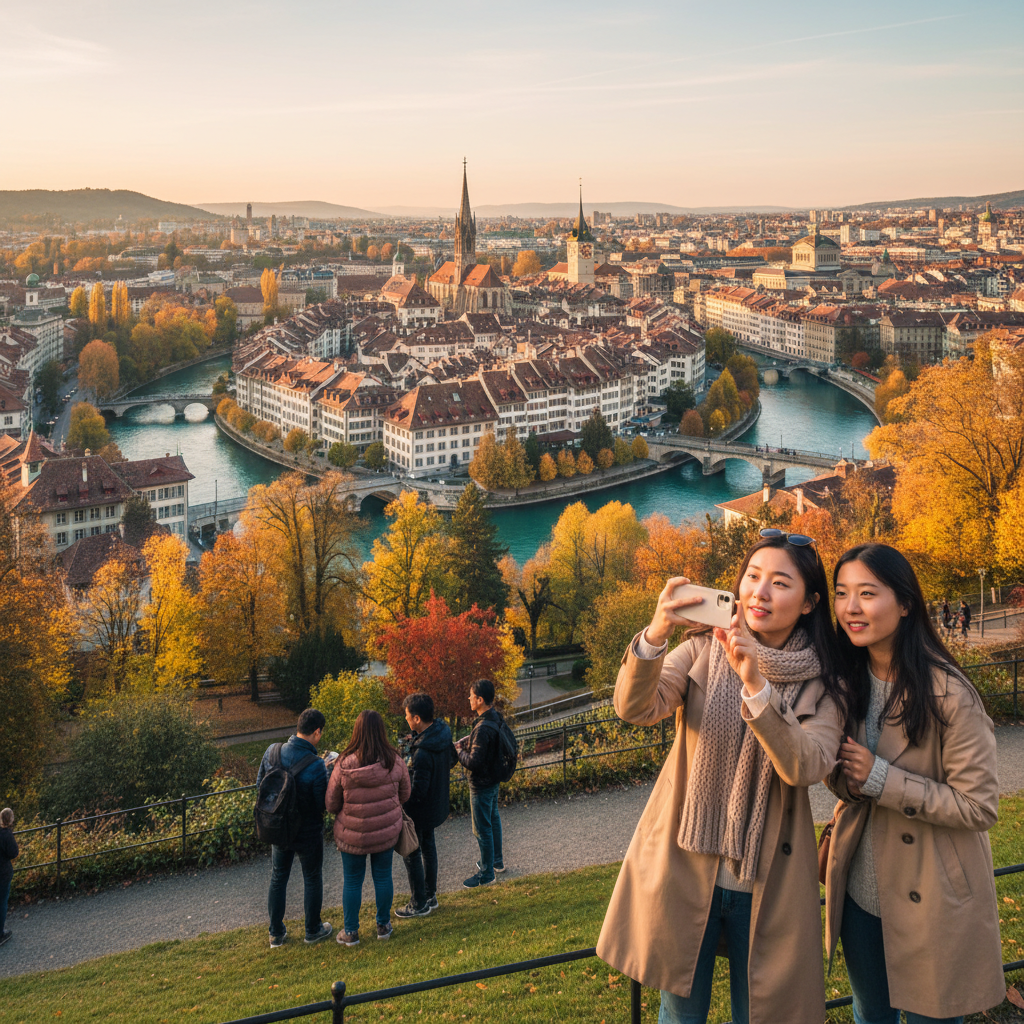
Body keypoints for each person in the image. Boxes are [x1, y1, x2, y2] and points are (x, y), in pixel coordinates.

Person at [597, 530, 849, 1024]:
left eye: (780, 583)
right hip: (688, 866)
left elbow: (807, 765)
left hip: (766, 880)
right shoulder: (702, 650)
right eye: (753, 577)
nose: (760, 592)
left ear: (809, 603)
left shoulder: (825, 682)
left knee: (757, 1013)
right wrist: (655, 633)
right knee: (680, 1013)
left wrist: (755, 683)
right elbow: (635, 707)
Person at [824, 544, 1003, 1023]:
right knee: (870, 1014)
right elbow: (847, 782)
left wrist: (883, 779)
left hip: (932, 896)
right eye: (841, 594)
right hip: (863, 893)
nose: (850, 608)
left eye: (867, 593)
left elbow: (980, 806)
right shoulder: (847, 681)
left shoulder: (950, 694)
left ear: (905, 603)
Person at [326, 710, 410, 946]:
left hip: (352, 834)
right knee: (383, 877)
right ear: (381, 731)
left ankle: (351, 932)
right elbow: (406, 794)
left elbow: (331, 804)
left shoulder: (343, 763)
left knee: (352, 881)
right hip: (385, 830)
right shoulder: (395, 760)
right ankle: (383, 925)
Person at [258, 709, 331, 948]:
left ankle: (275, 933)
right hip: (307, 830)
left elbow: (260, 787)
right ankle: (313, 930)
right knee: (311, 877)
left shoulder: (272, 751)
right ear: (317, 732)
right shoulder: (316, 765)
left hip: (278, 826)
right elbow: (323, 804)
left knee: (278, 877)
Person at [395, 693, 457, 918]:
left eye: (407, 716)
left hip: (421, 810)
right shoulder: (441, 733)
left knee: (411, 852)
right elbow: (452, 759)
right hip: (436, 803)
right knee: (429, 848)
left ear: (417, 718)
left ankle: (418, 902)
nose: (406, 719)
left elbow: (418, 790)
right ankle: (430, 894)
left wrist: (402, 803)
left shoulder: (422, 753)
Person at [456, 679, 508, 889]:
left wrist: (459, 750)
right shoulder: (494, 716)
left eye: (471, 696)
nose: (468, 698)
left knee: (482, 828)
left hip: (482, 784)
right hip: (493, 779)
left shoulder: (483, 726)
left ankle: (486, 873)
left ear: (479, 699)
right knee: (493, 819)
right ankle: (496, 862)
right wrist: (473, 737)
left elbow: (474, 762)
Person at [0, 808, 18, 947]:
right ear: (10, 819)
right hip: (3, 872)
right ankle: (1, 934)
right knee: (2, 902)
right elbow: (13, 853)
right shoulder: (6, 834)